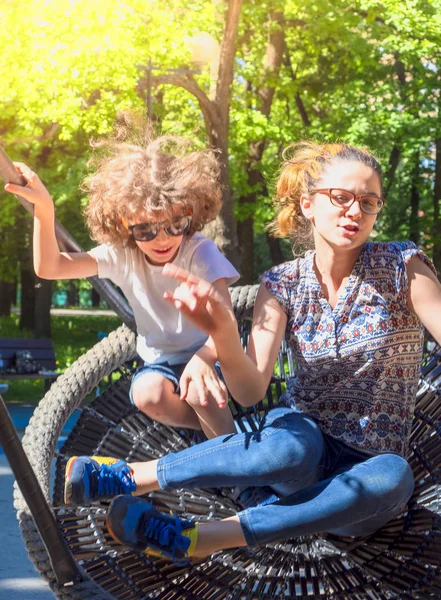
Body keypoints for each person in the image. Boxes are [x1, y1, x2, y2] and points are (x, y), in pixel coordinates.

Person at [62, 141, 441, 566]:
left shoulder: (401, 264)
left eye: (369, 202)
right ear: (309, 205)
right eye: (341, 198)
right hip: (297, 449)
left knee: (393, 475)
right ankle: (131, 477)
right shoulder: (280, 283)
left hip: (362, 482)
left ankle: (200, 536)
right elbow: (249, 391)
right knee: (293, 444)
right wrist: (223, 335)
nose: (354, 211)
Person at [4, 118, 240, 456]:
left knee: (201, 390)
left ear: (190, 212)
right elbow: (50, 267)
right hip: (161, 363)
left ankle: (237, 464)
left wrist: (204, 359)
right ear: (123, 223)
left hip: (212, 354)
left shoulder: (198, 252)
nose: (162, 240)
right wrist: (44, 209)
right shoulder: (123, 256)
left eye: (175, 225)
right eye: (145, 230)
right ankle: (219, 439)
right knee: (147, 394)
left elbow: (226, 321)